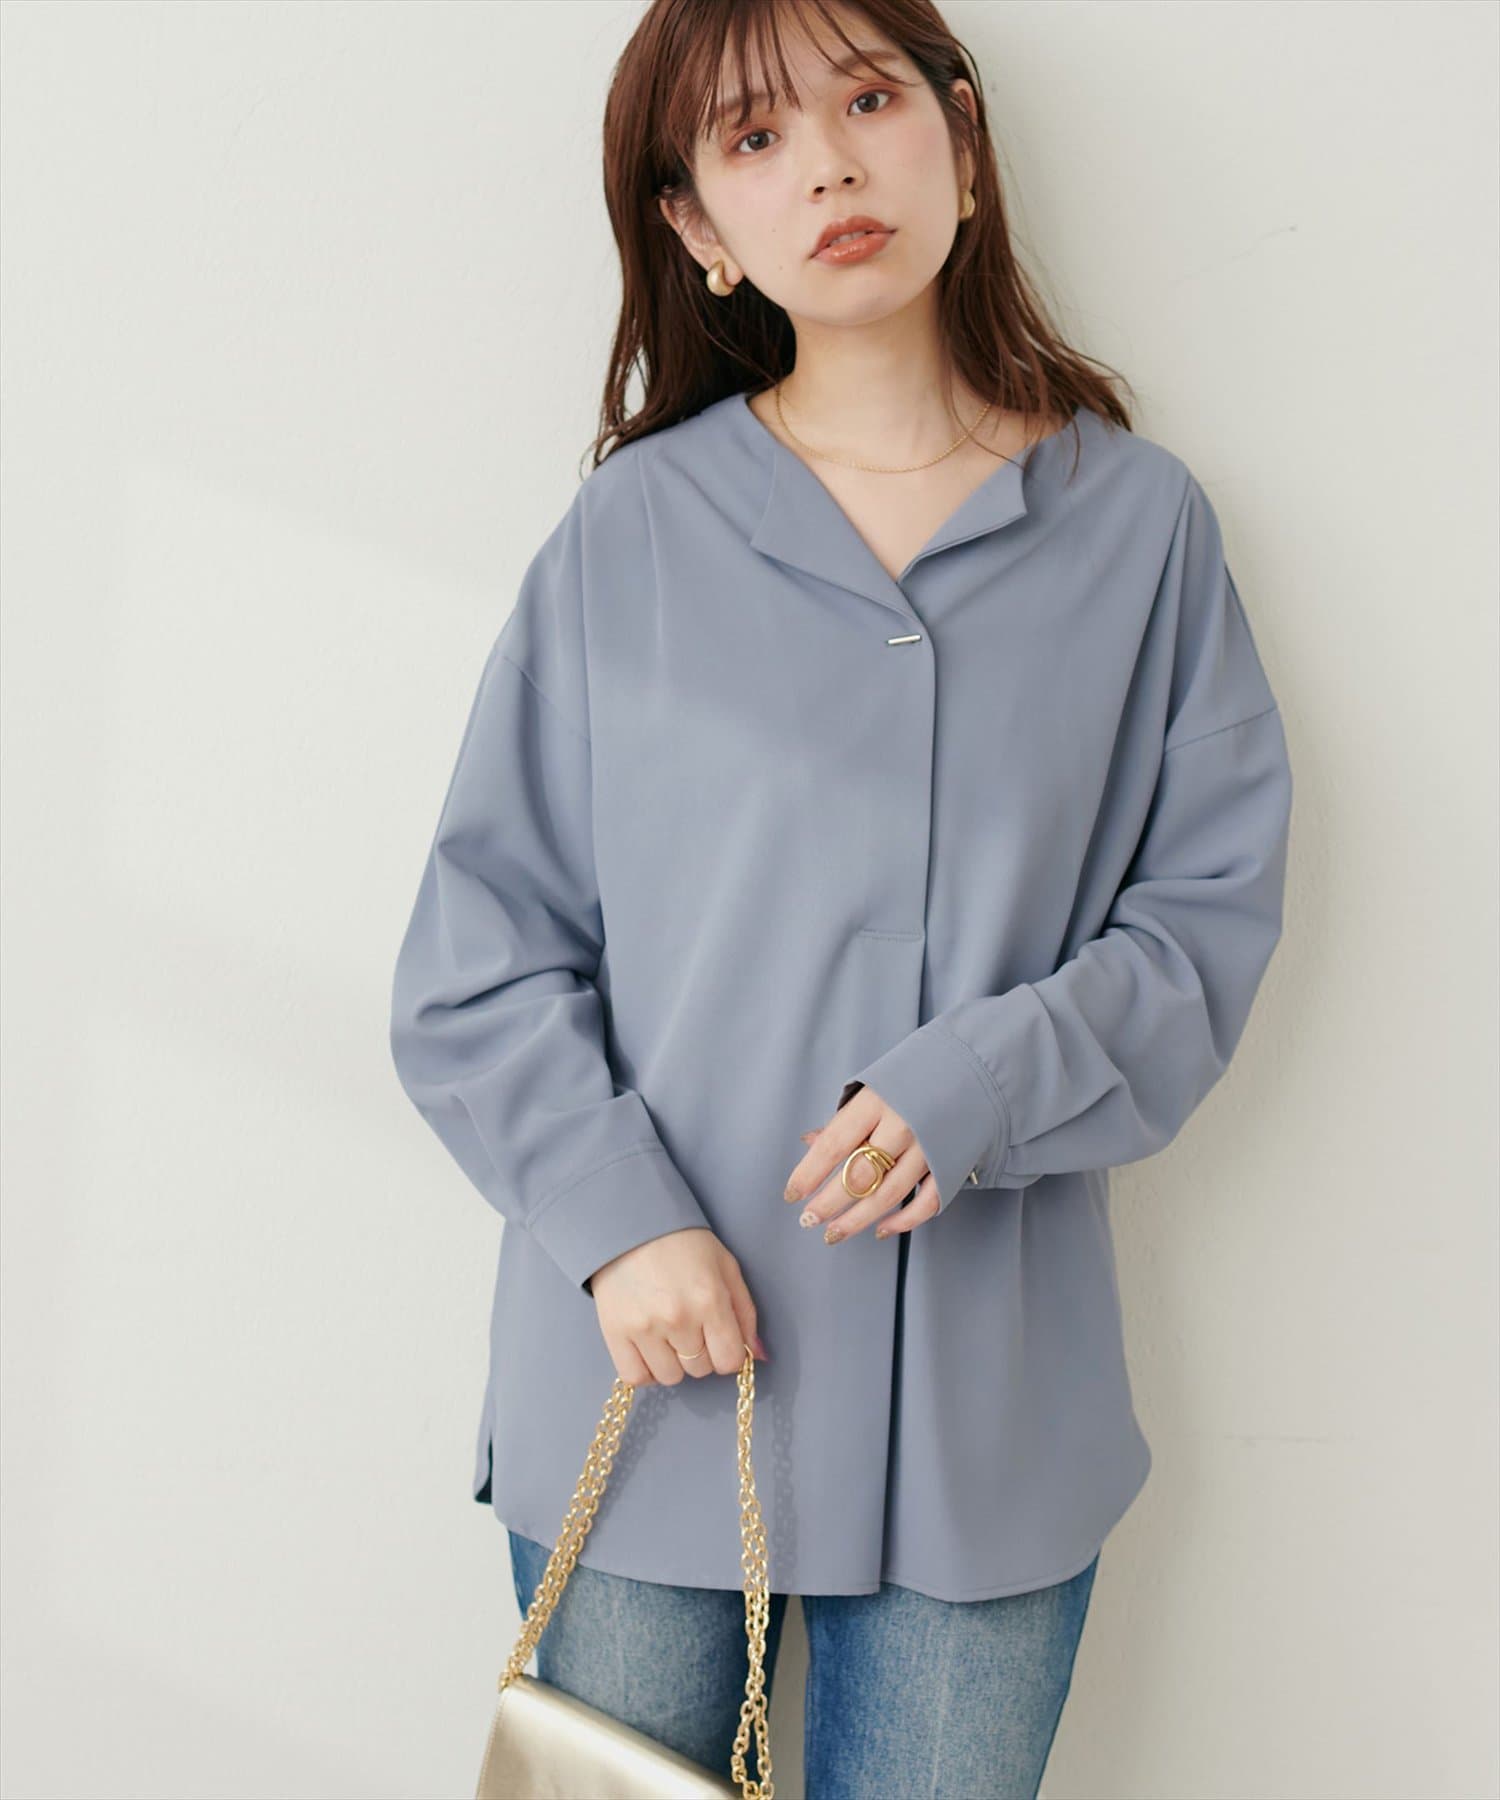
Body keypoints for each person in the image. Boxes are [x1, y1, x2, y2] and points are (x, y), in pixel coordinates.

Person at [388, 0, 1294, 1793]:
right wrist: (616, 1222)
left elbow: (1205, 921)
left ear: (960, 135)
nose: (828, 165)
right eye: (753, 138)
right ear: (698, 229)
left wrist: (984, 1083)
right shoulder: (631, 537)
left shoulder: (1139, 529)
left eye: (869, 101)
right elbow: (478, 958)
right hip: (653, 1386)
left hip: (987, 1415)